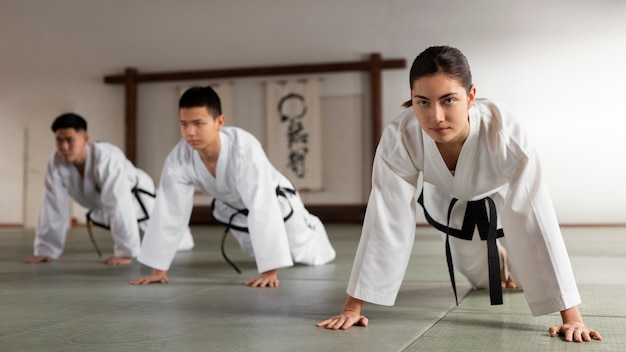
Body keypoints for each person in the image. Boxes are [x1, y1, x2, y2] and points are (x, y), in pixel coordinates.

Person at [317, 46, 602, 343]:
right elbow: (385, 218)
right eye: (423, 102)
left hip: (502, 199)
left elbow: (535, 214)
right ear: (412, 100)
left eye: (449, 100)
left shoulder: (505, 131)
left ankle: (507, 252)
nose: (436, 116)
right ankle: (496, 254)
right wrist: (353, 306)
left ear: (470, 96)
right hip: (450, 201)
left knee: (521, 276)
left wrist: (571, 317)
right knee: (481, 280)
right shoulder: (400, 137)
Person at [130, 86, 336, 287]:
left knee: (305, 252)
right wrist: (159, 270)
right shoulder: (179, 157)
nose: (190, 132)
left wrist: (269, 273)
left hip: (278, 201)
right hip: (235, 207)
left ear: (219, 121)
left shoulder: (244, 149)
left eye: (198, 123)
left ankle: (313, 228)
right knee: (255, 251)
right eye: (184, 124)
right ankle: (271, 258)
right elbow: (169, 210)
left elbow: (262, 205)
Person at [24, 113, 195, 266]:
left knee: (168, 243)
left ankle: (180, 228)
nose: (64, 147)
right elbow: (52, 206)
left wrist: (125, 253)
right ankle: (48, 249)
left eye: (69, 140)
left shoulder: (107, 159)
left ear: (85, 139)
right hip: (105, 206)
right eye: (59, 140)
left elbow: (119, 204)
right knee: (143, 243)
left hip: (138, 197)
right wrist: (45, 250)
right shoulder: (56, 162)